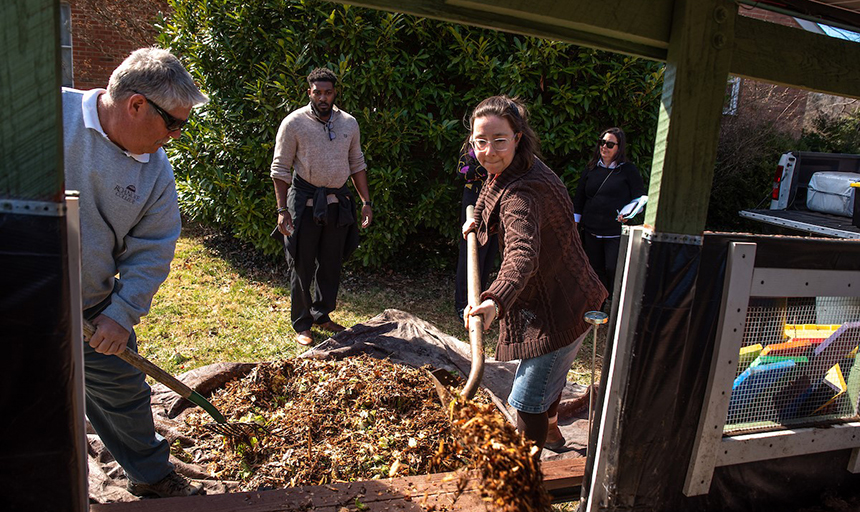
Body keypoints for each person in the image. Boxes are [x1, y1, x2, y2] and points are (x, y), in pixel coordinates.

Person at [63, 47, 209, 498]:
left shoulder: (156, 174)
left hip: (91, 307)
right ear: (136, 104)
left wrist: (121, 314)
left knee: (124, 395)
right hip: (15, 296)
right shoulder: (44, 113)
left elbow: (153, 250)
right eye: (174, 123)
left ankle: (150, 474)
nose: (179, 135)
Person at [462, 96, 607, 453]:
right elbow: (490, 188)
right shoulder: (520, 168)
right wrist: (476, 218)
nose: (489, 150)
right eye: (481, 141)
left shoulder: (523, 193)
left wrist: (494, 299)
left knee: (526, 398)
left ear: (518, 138)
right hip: (569, 289)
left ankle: (525, 474)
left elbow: (521, 255)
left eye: (499, 140)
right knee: (547, 378)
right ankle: (554, 431)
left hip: (564, 306)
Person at [270, 67, 373, 347]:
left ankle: (322, 313)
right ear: (309, 93)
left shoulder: (349, 123)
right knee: (302, 263)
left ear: (334, 93)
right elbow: (280, 169)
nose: (323, 98)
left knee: (331, 261)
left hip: (337, 202)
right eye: (318, 92)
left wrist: (365, 202)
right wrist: (283, 210)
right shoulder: (293, 123)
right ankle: (302, 323)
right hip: (303, 201)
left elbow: (357, 163)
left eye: (328, 92)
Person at [573, 127, 647, 300]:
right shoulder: (591, 168)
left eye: (610, 144)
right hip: (591, 230)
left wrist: (629, 213)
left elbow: (639, 197)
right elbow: (579, 198)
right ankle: (598, 304)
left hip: (614, 232)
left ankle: (615, 302)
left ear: (619, 148)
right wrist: (575, 223)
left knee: (612, 268)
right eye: (602, 142)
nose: (604, 147)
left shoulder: (628, 170)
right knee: (594, 268)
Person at [453, 142, 499, 321]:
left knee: (489, 251)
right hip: (473, 200)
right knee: (470, 251)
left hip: (494, 199)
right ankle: (462, 303)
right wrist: (488, 167)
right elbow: (463, 171)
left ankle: (479, 299)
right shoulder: (469, 146)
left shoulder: (499, 147)